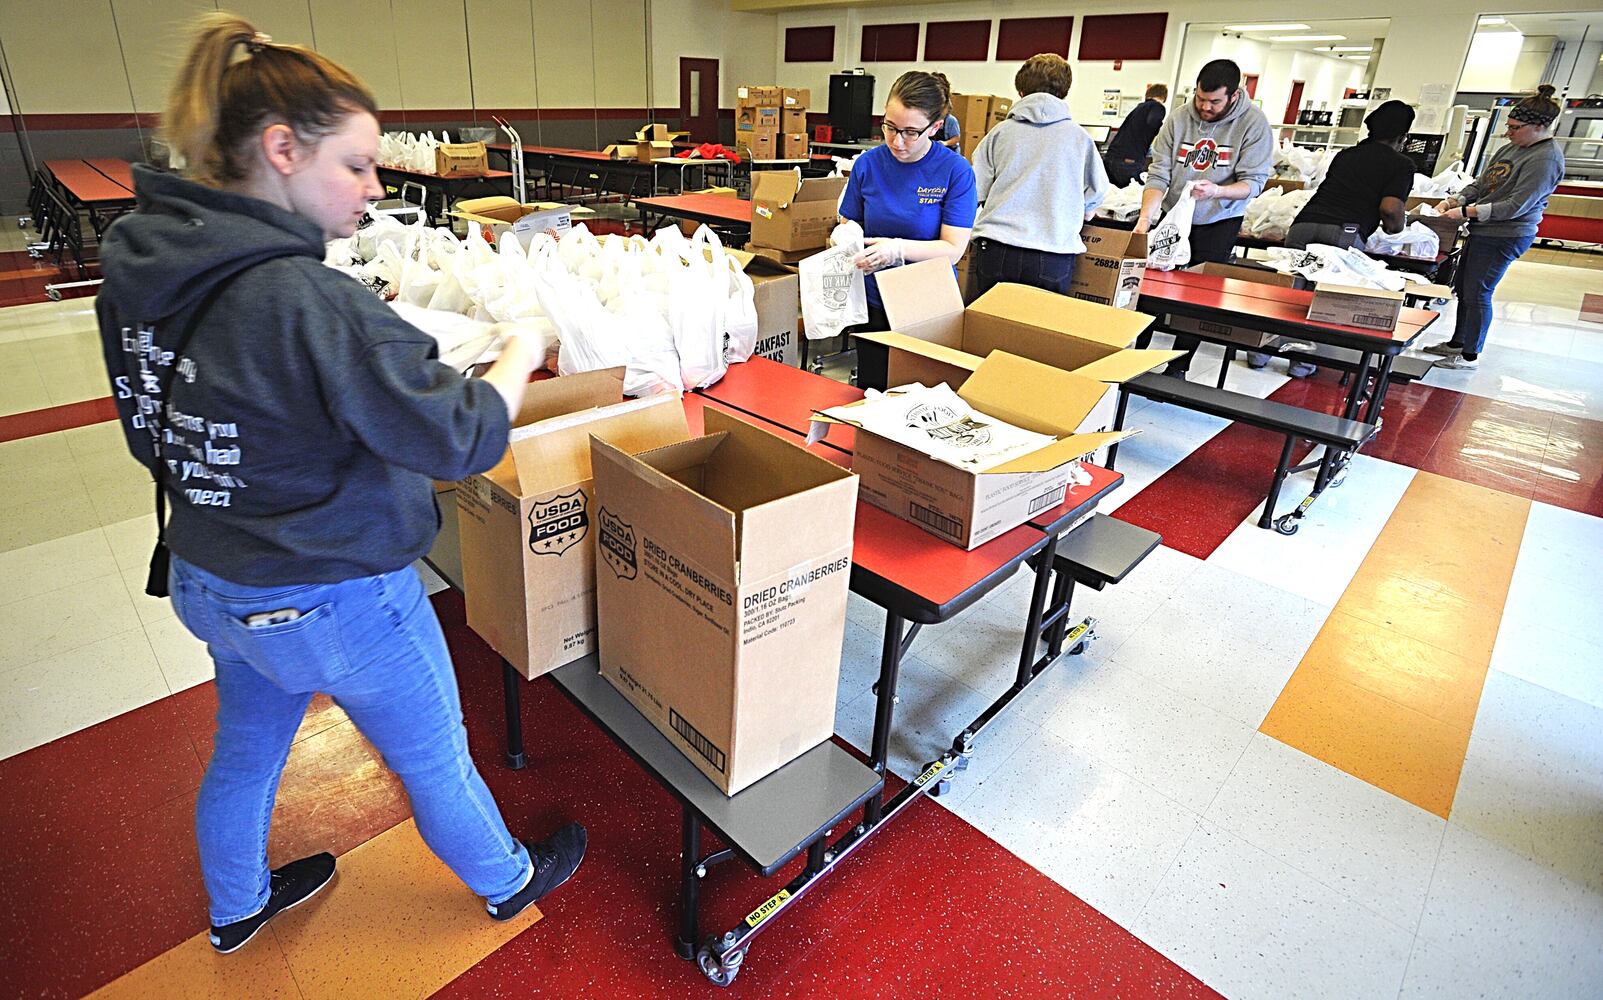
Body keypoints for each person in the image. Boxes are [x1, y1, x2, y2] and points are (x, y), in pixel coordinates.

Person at [95, 14, 586, 955]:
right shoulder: (306, 298)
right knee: (434, 756)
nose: (374, 185)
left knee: (244, 753)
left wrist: (358, 342)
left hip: (212, 571)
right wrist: (522, 347)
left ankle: (235, 907)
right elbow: (463, 436)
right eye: (357, 164)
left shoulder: (143, 263)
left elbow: (168, 417)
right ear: (281, 149)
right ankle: (506, 877)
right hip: (333, 594)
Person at [1248, 99, 1419, 377]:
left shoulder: (1346, 155)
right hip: (1343, 233)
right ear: (1402, 136)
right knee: (1323, 300)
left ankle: (1259, 354)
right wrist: (1397, 230)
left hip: (1304, 225)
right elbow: (1390, 209)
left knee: (1289, 293)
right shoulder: (1401, 164)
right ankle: (1301, 364)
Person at [839, 70, 977, 389]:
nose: (897, 141)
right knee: (872, 391)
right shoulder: (868, 164)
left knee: (918, 396)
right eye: (890, 127)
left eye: (912, 132)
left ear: (936, 127)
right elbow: (851, 220)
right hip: (874, 298)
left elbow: (953, 249)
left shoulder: (955, 172)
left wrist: (896, 249)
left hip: (926, 306)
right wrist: (847, 235)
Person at [1135, 59, 1273, 378]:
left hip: (1218, 220)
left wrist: (1217, 192)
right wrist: (1146, 219)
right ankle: (1137, 356)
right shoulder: (1181, 117)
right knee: (1153, 285)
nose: (1205, 107)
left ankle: (1179, 364)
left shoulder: (1253, 124)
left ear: (1235, 95)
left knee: (1198, 295)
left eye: (1214, 101)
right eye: (1200, 98)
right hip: (1174, 215)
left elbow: (1252, 183)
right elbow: (1159, 174)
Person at [1427, 85, 1566, 371]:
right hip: (1482, 231)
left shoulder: (1545, 158)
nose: (1509, 132)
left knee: (1479, 292)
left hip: (1506, 234)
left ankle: (1469, 356)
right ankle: (1458, 342)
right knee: (1464, 288)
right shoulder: (1512, 148)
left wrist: (1467, 212)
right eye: (1509, 125)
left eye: (1516, 127)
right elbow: (1483, 183)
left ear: (1540, 126)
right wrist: (1458, 198)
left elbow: (1517, 205)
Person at [970, 54, 1107, 296]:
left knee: (990, 329)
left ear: (1021, 91)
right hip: (1053, 251)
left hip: (996, 246)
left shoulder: (999, 133)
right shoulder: (1080, 138)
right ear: (1064, 92)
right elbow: (1095, 194)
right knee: (1042, 331)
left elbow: (976, 190)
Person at [1103, 83, 1168, 188]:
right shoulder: (1158, 107)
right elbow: (1153, 122)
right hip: (1129, 162)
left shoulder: (1139, 108)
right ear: (1164, 97)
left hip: (1111, 159)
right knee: (1130, 199)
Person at [933, 72, 962, 150]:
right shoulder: (927, 118)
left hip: (948, 151)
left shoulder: (950, 120)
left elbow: (956, 138)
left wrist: (945, 143)